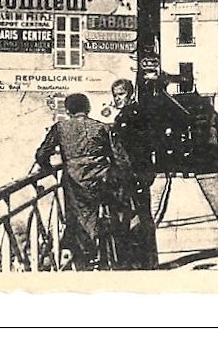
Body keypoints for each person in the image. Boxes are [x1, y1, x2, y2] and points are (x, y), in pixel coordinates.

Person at [35, 93, 126, 269]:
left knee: (78, 217)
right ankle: (109, 254)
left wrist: (47, 168)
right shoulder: (102, 128)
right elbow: (120, 158)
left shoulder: (60, 128)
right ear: (88, 108)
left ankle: (84, 257)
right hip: (102, 180)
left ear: (68, 110)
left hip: (75, 182)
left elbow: (41, 154)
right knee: (112, 210)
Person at [110, 78, 159, 270]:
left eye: (121, 94)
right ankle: (149, 261)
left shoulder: (131, 116)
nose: (117, 99)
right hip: (142, 172)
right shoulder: (134, 114)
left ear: (130, 95)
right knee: (142, 215)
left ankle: (140, 262)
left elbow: (133, 147)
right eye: (115, 95)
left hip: (135, 173)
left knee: (136, 217)